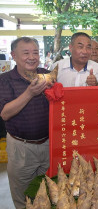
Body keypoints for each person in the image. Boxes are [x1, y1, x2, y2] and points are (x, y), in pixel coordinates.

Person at [0, 37, 52, 209]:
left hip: (48, 144)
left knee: (50, 193)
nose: (32, 57)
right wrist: (29, 93)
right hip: (21, 147)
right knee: (23, 197)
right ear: (14, 55)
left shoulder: (46, 74)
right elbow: (5, 114)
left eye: (35, 52)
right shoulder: (5, 80)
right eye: (26, 53)